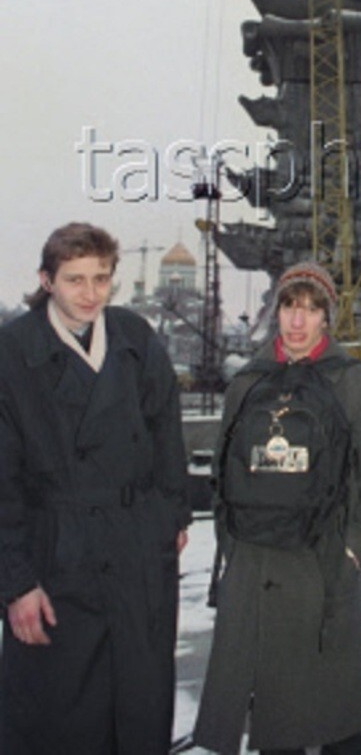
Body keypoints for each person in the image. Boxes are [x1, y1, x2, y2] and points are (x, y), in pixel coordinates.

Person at [194, 260, 361, 755]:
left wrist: (355, 551)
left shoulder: (358, 383)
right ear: (276, 310)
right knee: (273, 719)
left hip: (323, 567)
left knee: (333, 716)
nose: (297, 320)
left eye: (311, 309)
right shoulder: (247, 383)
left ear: (326, 317)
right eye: (290, 305)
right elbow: (223, 471)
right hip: (255, 565)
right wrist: (232, 546)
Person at [0, 222, 191, 754]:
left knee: (138, 703)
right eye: (74, 280)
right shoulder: (12, 354)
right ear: (47, 280)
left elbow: (165, 432)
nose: (89, 294)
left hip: (135, 554)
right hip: (57, 556)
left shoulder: (134, 338)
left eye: (101, 279)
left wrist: (171, 516)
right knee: (61, 712)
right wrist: (15, 583)